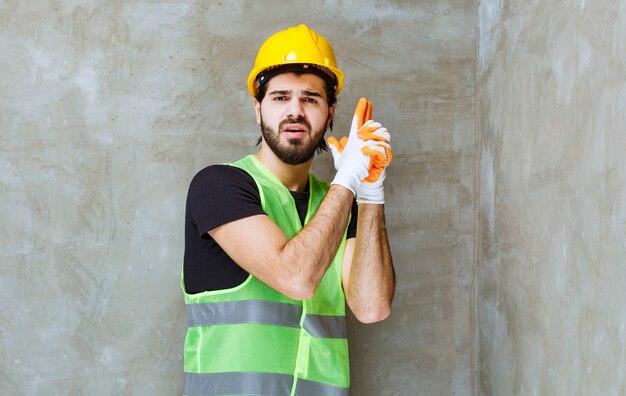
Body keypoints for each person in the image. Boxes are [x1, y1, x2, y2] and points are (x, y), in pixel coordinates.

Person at [182, 24, 395, 396]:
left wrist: (369, 194)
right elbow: (296, 279)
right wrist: (347, 180)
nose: (295, 111)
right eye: (280, 97)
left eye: (310, 99)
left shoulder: (337, 201)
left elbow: (372, 306)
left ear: (330, 114)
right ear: (257, 108)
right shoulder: (218, 186)